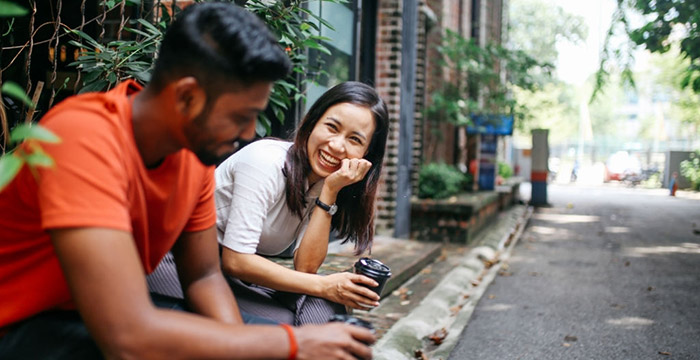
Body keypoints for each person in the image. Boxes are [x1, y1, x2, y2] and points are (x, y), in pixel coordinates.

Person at [0, 3, 375, 359]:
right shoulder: (84, 139)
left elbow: (204, 277)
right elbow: (127, 338)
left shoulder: (193, 158)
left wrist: (254, 347)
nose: (248, 133)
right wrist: (289, 345)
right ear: (187, 96)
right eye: (241, 116)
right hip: (25, 326)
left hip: (100, 318)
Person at [149, 81, 389, 325]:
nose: (337, 146)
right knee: (291, 324)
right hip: (176, 262)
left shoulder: (326, 181)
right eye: (331, 127)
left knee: (323, 310)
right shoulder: (264, 162)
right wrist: (326, 285)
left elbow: (305, 268)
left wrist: (329, 192)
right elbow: (237, 261)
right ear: (313, 121)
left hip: (224, 276)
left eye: (355, 140)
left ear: (366, 154)